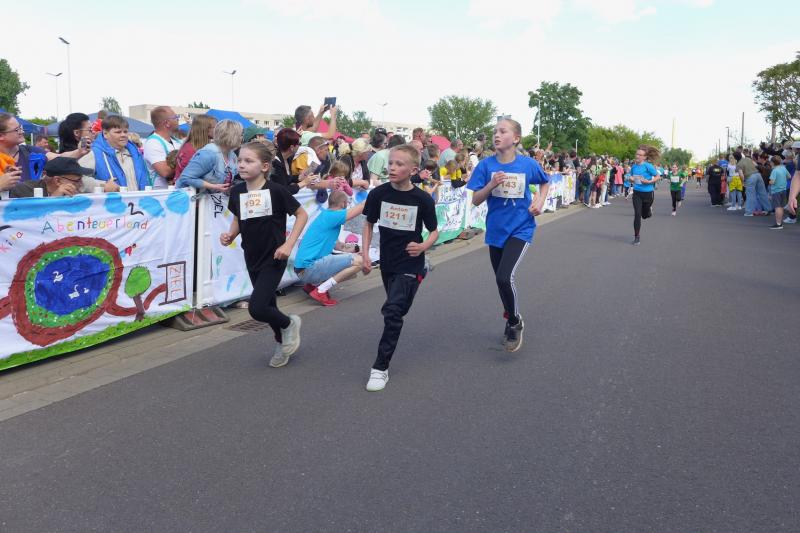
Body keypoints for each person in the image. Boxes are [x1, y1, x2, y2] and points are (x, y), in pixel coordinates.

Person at [220, 142, 308, 368]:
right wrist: (230, 234)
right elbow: (238, 218)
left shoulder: (276, 190)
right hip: (252, 256)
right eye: (240, 160)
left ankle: (289, 324)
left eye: (249, 161)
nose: (242, 165)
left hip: (275, 256)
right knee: (269, 305)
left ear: (265, 166)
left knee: (257, 308)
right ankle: (282, 342)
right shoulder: (237, 191)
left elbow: (302, 214)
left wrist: (288, 245)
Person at [360, 144, 438, 392]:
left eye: (399, 164)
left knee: (393, 312)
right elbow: (368, 224)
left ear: (413, 170)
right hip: (388, 261)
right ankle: (421, 273)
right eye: (391, 163)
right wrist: (365, 255)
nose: (392, 168)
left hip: (410, 260)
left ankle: (380, 368)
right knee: (397, 309)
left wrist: (423, 246)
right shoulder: (378, 194)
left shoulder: (422, 199)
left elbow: (434, 231)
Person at [467, 118, 549, 352]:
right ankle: (510, 315)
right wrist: (491, 185)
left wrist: (539, 201)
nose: (496, 135)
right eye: (495, 131)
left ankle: (514, 322)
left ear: (516, 138)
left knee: (505, 277)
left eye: (503, 131)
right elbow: (475, 200)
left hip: (521, 228)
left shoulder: (528, 164)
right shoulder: (485, 166)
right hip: (496, 230)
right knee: (499, 280)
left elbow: (545, 182)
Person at [294, 190, 365, 306]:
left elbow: (340, 246)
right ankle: (320, 291)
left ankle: (312, 285)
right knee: (360, 262)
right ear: (343, 203)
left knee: (351, 264)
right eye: (347, 203)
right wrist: (378, 194)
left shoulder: (325, 216)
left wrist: (358, 249)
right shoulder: (334, 216)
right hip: (309, 269)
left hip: (302, 271)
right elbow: (361, 206)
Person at [78, 115, 148, 190]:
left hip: (139, 197)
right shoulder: (94, 153)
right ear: (105, 134)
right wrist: (103, 186)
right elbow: (79, 178)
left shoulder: (135, 153)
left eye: (125, 132)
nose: (123, 135)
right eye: (118, 132)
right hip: (111, 198)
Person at [176, 119, 242, 193]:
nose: (241, 138)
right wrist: (213, 186)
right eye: (240, 135)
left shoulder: (232, 155)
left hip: (215, 198)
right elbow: (186, 177)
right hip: (195, 198)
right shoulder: (208, 154)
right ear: (231, 136)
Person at [8, 157, 91, 198]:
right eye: (77, 180)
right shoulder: (24, 191)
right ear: (57, 181)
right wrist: (53, 200)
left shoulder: (75, 193)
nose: (81, 184)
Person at [143, 106, 183, 188]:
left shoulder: (177, 141)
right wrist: (186, 162)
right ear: (167, 123)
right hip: (162, 194)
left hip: (179, 192)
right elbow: (165, 172)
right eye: (175, 117)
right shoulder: (153, 142)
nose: (178, 119)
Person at [629, 145, 661, 245]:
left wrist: (649, 181)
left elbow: (658, 176)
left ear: (644, 157)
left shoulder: (648, 166)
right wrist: (630, 179)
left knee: (645, 215)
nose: (637, 156)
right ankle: (637, 237)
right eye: (637, 154)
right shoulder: (634, 167)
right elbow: (630, 176)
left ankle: (648, 211)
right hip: (637, 193)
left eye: (640, 155)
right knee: (637, 214)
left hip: (648, 193)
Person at [174, 115, 217, 182]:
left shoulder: (201, 147)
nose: (218, 130)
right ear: (205, 129)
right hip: (187, 187)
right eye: (215, 127)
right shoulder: (190, 150)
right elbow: (188, 177)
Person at [739, 148, 771, 216]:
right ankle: (768, 209)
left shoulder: (740, 163)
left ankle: (749, 212)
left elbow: (741, 174)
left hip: (750, 177)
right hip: (758, 175)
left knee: (750, 194)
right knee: (763, 193)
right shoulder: (752, 161)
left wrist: (743, 182)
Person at [767, 155, 790, 230]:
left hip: (776, 191)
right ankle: (780, 222)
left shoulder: (774, 171)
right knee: (781, 207)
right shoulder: (783, 168)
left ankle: (778, 224)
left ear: (773, 163)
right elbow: (789, 176)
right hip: (783, 190)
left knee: (777, 207)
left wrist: (769, 182)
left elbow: (772, 182)